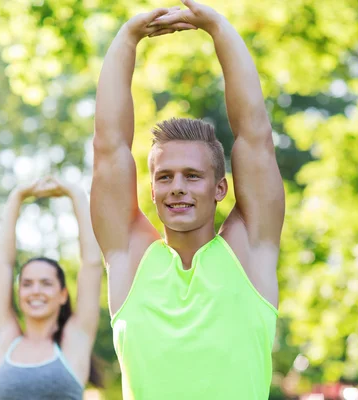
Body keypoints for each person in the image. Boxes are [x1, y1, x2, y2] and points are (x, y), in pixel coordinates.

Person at [91, 1, 285, 398]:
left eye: (192, 176)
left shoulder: (249, 252)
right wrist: (128, 37)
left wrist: (217, 27)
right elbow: (108, 149)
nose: (177, 186)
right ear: (153, 190)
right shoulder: (131, 259)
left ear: (220, 189)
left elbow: (255, 138)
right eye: (165, 177)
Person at [0, 176, 103, 399]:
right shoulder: (6, 339)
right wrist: (16, 197)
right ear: (19, 292)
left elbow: (91, 263)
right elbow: (1, 264)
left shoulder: (74, 339)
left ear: (63, 295)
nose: (36, 291)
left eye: (46, 283)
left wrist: (75, 193)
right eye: (27, 284)